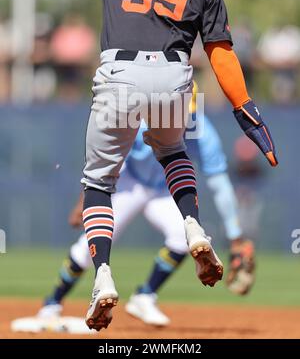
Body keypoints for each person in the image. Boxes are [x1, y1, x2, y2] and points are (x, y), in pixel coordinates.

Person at [47, 0, 277, 331]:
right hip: (173, 77)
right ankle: (192, 223)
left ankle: (102, 277)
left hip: (119, 71)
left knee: (98, 183)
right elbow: (220, 52)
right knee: (173, 153)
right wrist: (244, 106)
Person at [38, 107, 254, 326]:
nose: (178, 117)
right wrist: (84, 200)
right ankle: (51, 304)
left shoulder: (202, 131)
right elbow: (108, 161)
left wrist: (235, 236)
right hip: (128, 182)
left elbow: (220, 184)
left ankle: (145, 296)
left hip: (163, 190)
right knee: (88, 248)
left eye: (184, 111)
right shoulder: (139, 120)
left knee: (185, 237)